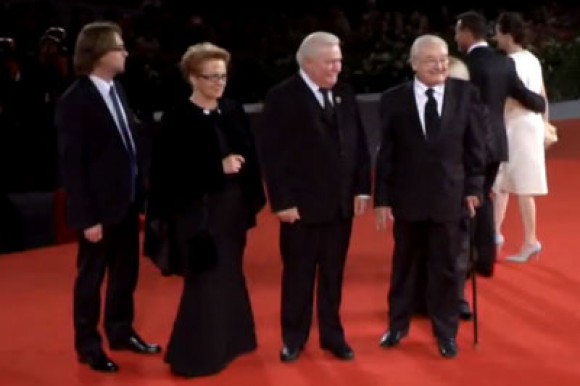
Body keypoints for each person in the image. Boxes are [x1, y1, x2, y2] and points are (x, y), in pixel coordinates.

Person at [144, 42, 266, 378]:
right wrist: (217, 167)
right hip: (197, 216)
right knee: (205, 281)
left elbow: (250, 157)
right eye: (211, 77)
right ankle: (195, 357)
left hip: (232, 214)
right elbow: (168, 175)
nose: (218, 83)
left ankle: (233, 342)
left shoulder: (232, 110)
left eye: (223, 76)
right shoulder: (177, 119)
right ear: (192, 78)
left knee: (229, 276)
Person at [258, 31, 371, 362]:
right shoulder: (282, 97)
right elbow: (273, 155)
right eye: (330, 61)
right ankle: (294, 337)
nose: (337, 66)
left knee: (334, 275)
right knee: (298, 275)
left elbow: (359, 145)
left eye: (338, 60)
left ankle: (333, 336)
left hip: (340, 206)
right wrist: (282, 201)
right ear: (307, 63)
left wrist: (362, 188)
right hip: (301, 208)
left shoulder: (344, 94)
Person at [55, 21, 160, 373]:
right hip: (98, 210)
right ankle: (88, 345)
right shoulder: (75, 101)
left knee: (125, 271)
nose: (125, 52)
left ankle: (119, 330)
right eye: (118, 47)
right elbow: (73, 165)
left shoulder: (118, 91)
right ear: (98, 54)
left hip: (126, 202)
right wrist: (86, 217)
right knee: (91, 277)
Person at [374, 34, 486, 359]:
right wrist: (382, 198)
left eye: (443, 59)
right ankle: (397, 326)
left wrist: (474, 189)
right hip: (408, 199)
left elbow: (475, 148)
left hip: (450, 198)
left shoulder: (466, 94)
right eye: (430, 60)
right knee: (404, 267)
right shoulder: (393, 100)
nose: (439, 65)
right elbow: (387, 155)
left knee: (447, 269)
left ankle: (445, 332)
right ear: (413, 64)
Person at [454, 10, 546, 278]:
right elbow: (533, 99)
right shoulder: (504, 64)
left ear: (468, 33)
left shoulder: (465, 66)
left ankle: (468, 258)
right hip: (496, 145)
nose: (456, 36)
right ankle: (485, 259)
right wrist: (540, 108)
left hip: (470, 144)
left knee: (467, 199)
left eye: (458, 31)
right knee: (483, 196)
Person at [493, 11, 547, 263]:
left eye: (497, 32)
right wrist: (546, 125)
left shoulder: (509, 63)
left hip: (516, 124)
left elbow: (513, 98)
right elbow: (542, 95)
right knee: (502, 180)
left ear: (506, 34)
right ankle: (494, 235)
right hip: (530, 124)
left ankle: (530, 240)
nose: (495, 37)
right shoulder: (533, 59)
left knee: (521, 185)